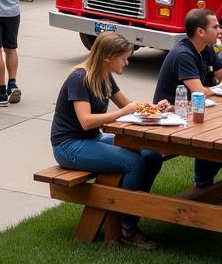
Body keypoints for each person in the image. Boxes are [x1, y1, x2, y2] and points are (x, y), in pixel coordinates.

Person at [51, 32, 166, 249]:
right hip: (69, 146)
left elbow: (129, 105)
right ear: (107, 58)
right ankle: (127, 227)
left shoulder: (105, 74)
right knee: (133, 163)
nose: (127, 62)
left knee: (152, 155)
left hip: (92, 139)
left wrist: (154, 108)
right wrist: (122, 112)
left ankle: (131, 210)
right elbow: (86, 121)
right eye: (124, 58)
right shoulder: (80, 78)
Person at [152, 8, 222, 189]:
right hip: (170, 117)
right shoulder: (184, 54)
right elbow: (200, 92)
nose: (221, 30)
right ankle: (204, 182)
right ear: (200, 31)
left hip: (193, 111)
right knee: (216, 133)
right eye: (216, 26)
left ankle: (206, 181)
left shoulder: (206, 48)